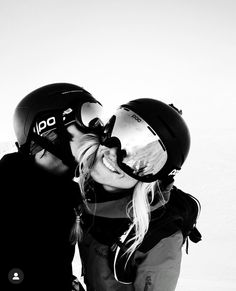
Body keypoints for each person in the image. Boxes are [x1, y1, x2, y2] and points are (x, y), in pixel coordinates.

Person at [73, 98, 202, 291]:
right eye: (117, 133)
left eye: (137, 157)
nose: (112, 152)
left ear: (154, 177)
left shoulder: (158, 237)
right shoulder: (81, 192)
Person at [1, 83, 103, 290]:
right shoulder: (7, 193)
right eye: (88, 115)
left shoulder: (66, 196)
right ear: (48, 129)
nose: (100, 128)